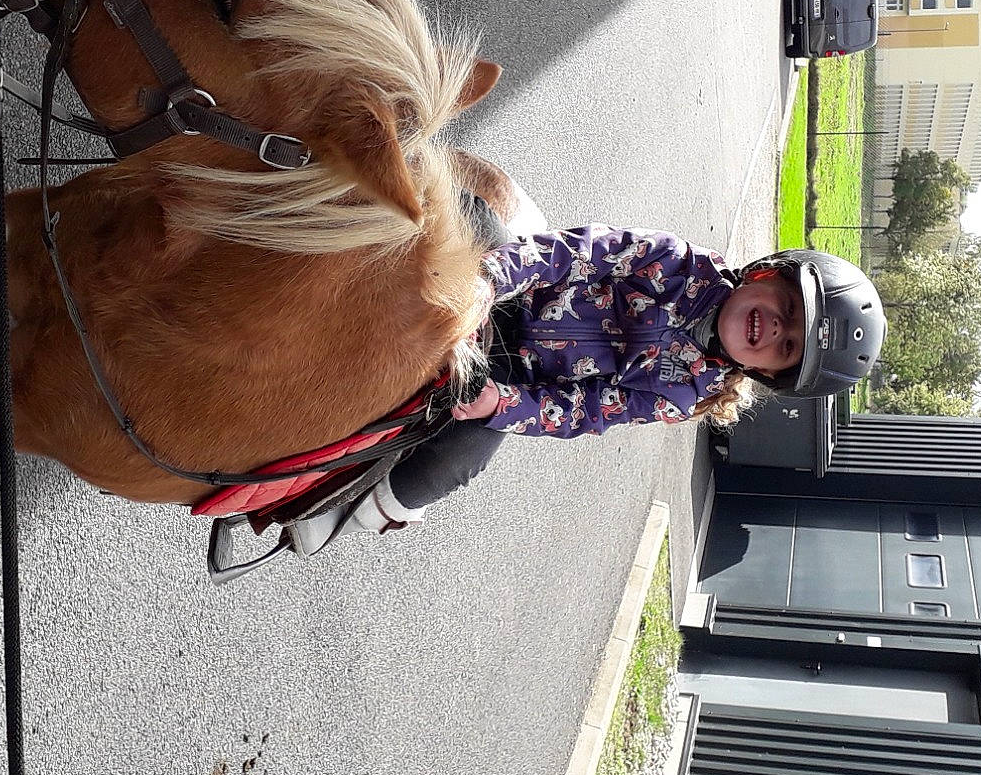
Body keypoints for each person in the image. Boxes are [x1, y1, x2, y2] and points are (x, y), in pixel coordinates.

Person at [290, 231, 886, 556]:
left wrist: (505, 405)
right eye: (784, 309)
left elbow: (590, 411)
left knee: (454, 462)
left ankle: (341, 509)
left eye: (786, 347)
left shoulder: (681, 394)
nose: (773, 329)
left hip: (512, 377)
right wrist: (492, 278)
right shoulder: (679, 264)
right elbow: (580, 254)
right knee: (441, 226)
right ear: (767, 274)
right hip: (507, 297)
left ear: (770, 374)